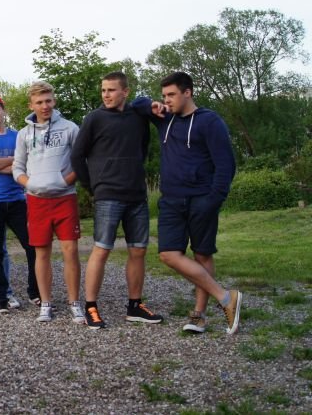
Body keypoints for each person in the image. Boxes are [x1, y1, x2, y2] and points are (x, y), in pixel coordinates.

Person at [132, 71, 242, 334]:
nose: (167, 100)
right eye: (164, 95)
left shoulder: (209, 121)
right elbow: (136, 103)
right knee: (168, 254)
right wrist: (152, 105)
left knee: (202, 254)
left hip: (202, 198)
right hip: (171, 200)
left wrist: (214, 200)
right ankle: (226, 297)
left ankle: (198, 316)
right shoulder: (165, 118)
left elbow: (226, 165)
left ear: (188, 93)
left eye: (171, 95)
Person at [70, 72, 162, 329]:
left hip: (136, 195)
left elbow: (143, 148)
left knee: (138, 250)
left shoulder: (138, 117)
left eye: (111, 90)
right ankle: (91, 307)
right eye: (103, 90)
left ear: (125, 92)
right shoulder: (94, 118)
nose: (106, 95)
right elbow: (77, 156)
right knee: (102, 249)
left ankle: (135, 306)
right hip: (107, 194)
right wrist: (92, 186)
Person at [12, 82, 83, 324]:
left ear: (54, 100)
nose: (45, 106)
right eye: (39, 102)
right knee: (41, 253)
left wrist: (65, 181)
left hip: (65, 198)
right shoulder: (23, 134)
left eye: (48, 100)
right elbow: (17, 167)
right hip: (37, 201)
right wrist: (30, 184)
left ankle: (74, 303)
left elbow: (82, 161)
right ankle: (46, 303)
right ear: (31, 105)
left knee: (70, 251)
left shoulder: (70, 128)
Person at [0, 95, 38, 314]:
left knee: (33, 246)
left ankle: (35, 291)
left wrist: (3, 165)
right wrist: (14, 162)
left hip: (16, 200)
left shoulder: (18, 135)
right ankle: (0, 297)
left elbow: (26, 164)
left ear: (3, 111)